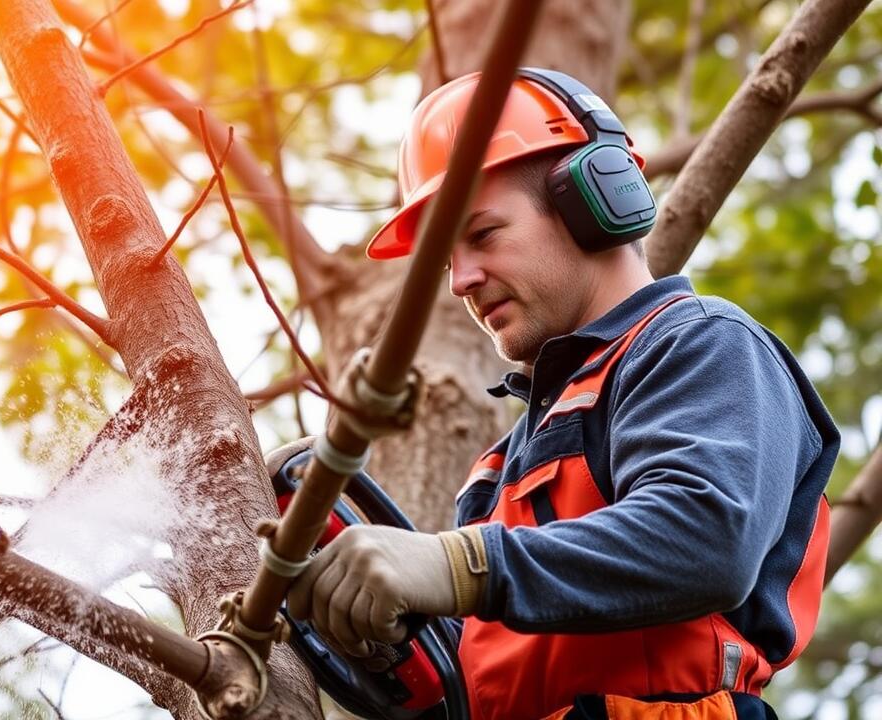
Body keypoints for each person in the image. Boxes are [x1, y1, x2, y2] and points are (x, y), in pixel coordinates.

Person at [277, 69, 840, 719]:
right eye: (445, 260)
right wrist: (384, 628)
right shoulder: (498, 469)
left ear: (593, 202)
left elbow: (706, 539)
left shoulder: (700, 344)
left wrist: (458, 567)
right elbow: (489, 667)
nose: (461, 280)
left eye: (483, 234)